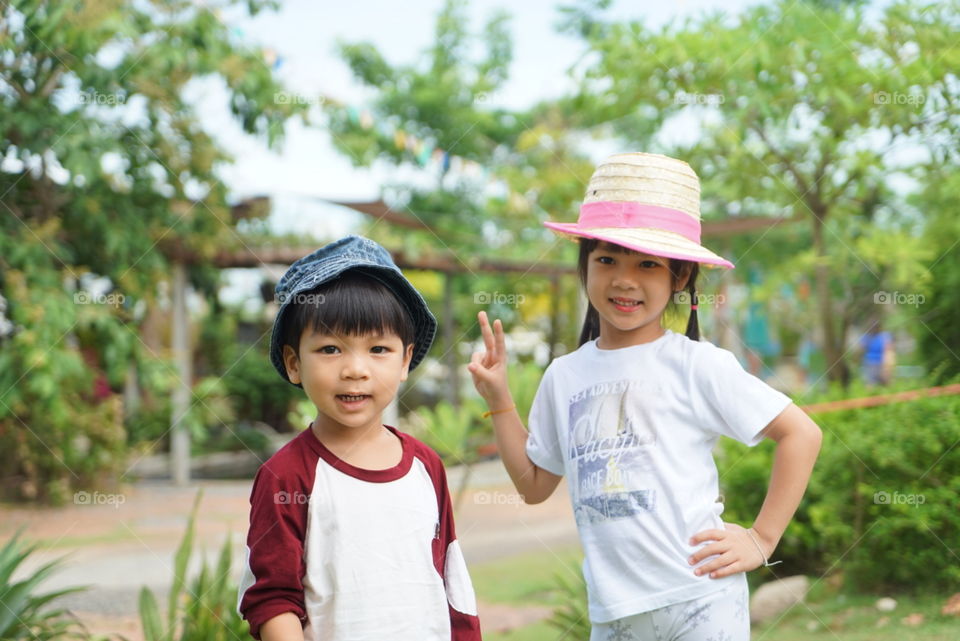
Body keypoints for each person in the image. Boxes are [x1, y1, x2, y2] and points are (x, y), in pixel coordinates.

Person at [468, 153, 822, 641]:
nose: (624, 279)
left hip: (701, 598)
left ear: (678, 278)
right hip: (613, 614)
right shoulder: (563, 376)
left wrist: (761, 539)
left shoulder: (697, 364)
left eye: (648, 263)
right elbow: (533, 486)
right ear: (585, 267)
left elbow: (801, 433)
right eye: (607, 259)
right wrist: (500, 399)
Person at [237, 236, 481, 641]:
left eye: (378, 349)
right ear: (294, 363)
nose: (355, 369)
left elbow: (451, 581)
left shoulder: (426, 466)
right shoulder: (287, 477)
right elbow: (274, 598)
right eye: (331, 349)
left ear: (405, 360)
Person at [861, 317, 895, 386]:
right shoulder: (866, 337)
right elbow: (861, 349)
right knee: (871, 384)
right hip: (870, 364)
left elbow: (889, 350)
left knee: (886, 383)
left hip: (883, 364)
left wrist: (888, 365)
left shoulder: (885, 336)